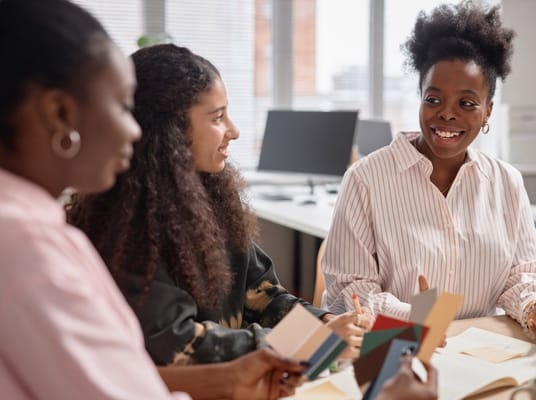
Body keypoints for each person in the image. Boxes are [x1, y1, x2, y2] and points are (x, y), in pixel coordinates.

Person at [0, 0, 306, 399]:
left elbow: (128, 376)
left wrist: (325, 333)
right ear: (59, 112)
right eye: (123, 107)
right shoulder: (28, 246)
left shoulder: (33, 231)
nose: (133, 130)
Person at [66, 43, 373, 367]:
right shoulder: (131, 224)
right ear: (171, 131)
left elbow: (264, 297)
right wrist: (307, 342)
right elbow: (179, 345)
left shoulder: (210, 197)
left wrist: (324, 324)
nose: (234, 131)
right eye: (217, 118)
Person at [322, 2, 536, 342]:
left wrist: (534, 306)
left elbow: (521, 276)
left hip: (480, 351)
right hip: (393, 346)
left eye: (467, 103)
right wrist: (414, 317)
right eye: (433, 99)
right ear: (420, 99)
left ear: (487, 112)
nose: (446, 114)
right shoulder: (366, 179)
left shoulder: (506, 182)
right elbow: (348, 291)